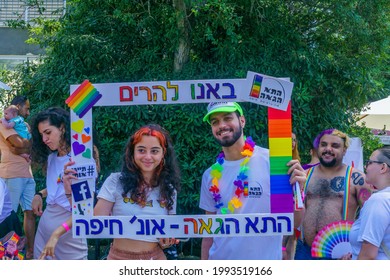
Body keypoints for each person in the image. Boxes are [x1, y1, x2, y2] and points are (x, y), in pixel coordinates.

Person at [199, 102, 306, 260]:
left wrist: (299, 191)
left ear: (242, 121)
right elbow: (209, 233)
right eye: (215, 122)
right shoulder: (210, 175)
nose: (221, 125)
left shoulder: (273, 163)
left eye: (227, 118)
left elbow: (292, 224)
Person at [93, 124, 181, 260]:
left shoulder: (169, 189)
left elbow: (170, 229)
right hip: (118, 259)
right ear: (132, 153)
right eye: (141, 150)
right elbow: (95, 221)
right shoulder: (115, 181)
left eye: (154, 151)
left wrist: (168, 239)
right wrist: (72, 192)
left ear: (163, 154)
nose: (147, 156)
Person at [295, 128, 372, 260]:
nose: (328, 149)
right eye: (323, 144)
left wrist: (357, 251)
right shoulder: (305, 176)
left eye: (335, 146)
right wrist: (285, 247)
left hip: (340, 255)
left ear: (344, 150)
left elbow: (371, 219)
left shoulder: (357, 179)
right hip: (304, 251)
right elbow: (294, 213)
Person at [30, 107, 88, 260]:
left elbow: (84, 210)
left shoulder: (81, 159)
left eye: (48, 132)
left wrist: (57, 234)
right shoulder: (52, 158)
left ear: (62, 128)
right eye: (41, 134)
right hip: (43, 233)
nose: (44, 139)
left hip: (68, 234)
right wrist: (39, 194)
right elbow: (56, 186)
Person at [0, 95, 35, 259]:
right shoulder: (4, 122)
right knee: (9, 217)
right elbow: (21, 144)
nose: (28, 112)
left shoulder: (23, 124)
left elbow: (27, 145)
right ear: (18, 106)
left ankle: (29, 252)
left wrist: (21, 147)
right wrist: (23, 146)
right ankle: (9, 256)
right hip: (11, 174)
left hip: (27, 173)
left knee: (30, 212)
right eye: (26, 108)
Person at [348, 147, 390, 260]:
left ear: (383, 167)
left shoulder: (379, 201)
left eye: (369, 162)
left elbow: (368, 256)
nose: (366, 167)